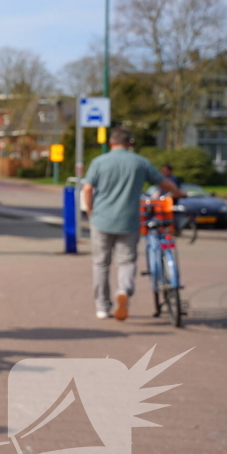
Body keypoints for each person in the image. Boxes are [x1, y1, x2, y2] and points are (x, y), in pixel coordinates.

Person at [82, 127, 182, 321]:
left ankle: (102, 307)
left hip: (101, 219)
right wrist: (178, 193)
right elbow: (164, 183)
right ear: (130, 144)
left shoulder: (99, 162)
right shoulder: (140, 162)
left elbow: (87, 189)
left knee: (101, 263)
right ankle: (124, 291)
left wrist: (90, 211)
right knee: (126, 261)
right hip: (129, 220)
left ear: (111, 143)